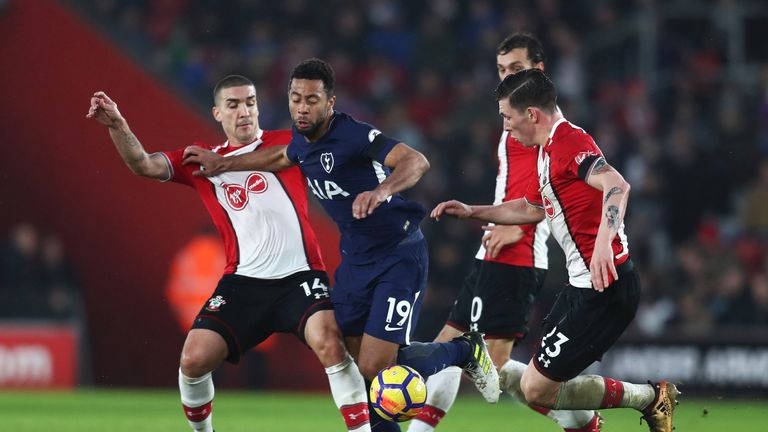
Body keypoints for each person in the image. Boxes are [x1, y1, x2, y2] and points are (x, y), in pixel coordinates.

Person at [182, 58, 499, 431]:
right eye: (296, 98)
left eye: (312, 99)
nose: (302, 107)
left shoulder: (351, 134)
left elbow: (416, 161)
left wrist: (381, 191)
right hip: (356, 261)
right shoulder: (300, 140)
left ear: (330, 103)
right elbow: (281, 157)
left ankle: (465, 349)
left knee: (375, 367)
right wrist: (224, 164)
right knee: (353, 361)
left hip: (397, 254)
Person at [86, 75, 373, 432]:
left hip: (300, 277)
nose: (245, 111)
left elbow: (340, 143)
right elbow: (143, 164)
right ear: (217, 113)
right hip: (243, 284)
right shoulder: (202, 161)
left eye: (250, 102)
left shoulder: (290, 142)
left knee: (331, 344)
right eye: (234, 105)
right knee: (193, 360)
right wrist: (119, 125)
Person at [430, 69, 678, 432]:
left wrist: (603, 245)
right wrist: (472, 211)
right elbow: (530, 209)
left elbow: (617, 185)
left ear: (531, 114)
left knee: (536, 389)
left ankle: (650, 397)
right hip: (582, 287)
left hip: (605, 285)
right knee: (540, 386)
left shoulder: (568, 143)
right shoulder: (546, 152)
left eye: (507, 117)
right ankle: (615, 414)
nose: (505, 127)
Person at [409, 33, 602, 432]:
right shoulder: (513, 120)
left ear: (539, 69)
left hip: (518, 254)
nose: (506, 76)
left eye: (515, 68)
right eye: (501, 70)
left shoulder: (545, 127)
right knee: (452, 348)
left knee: (482, 365)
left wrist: (522, 230)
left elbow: (556, 189)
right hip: (492, 251)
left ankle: (585, 420)